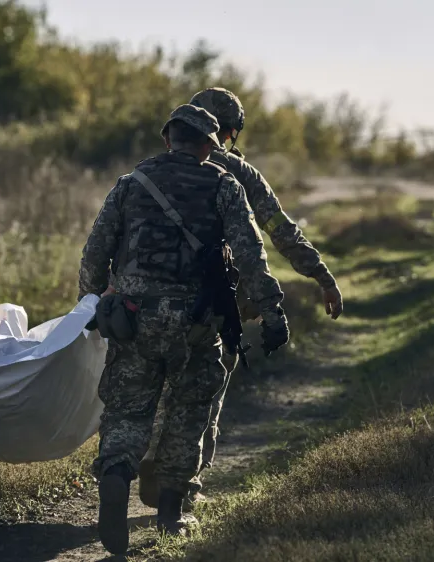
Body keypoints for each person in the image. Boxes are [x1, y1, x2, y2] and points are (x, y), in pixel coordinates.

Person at [78, 104, 290, 553]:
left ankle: (116, 472)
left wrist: (93, 303)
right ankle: (171, 513)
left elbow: (95, 252)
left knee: (130, 408)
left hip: (134, 317)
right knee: (190, 409)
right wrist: (272, 312)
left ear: (167, 139)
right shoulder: (224, 184)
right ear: (211, 146)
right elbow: (251, 254)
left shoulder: (130, 185)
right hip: (197, 321)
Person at [137, 87, 345, 512]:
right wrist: (322, 276)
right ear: (227, 133)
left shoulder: (154, 170)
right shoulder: (240, 175)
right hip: (217, 307)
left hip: (151, 304)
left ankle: (148, 462)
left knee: (158, 389)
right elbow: (280, 231)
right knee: (206, 396)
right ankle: (186, 484)